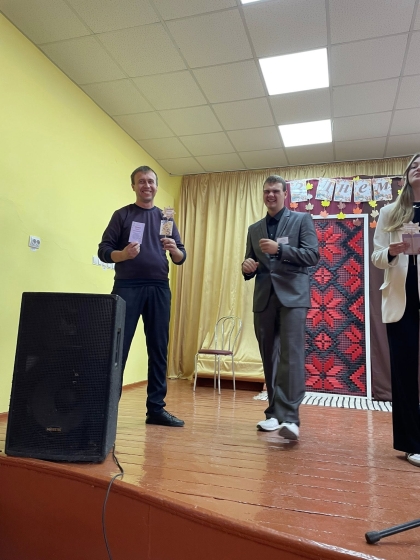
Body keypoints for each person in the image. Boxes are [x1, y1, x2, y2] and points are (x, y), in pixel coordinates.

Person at [98, 165, 186, 427]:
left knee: (158, 348)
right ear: (133, 186)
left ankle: (156, 409)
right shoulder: (122, 215)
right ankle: (106, 411)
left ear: (156, 186)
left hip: (159, 287)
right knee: (117, 348)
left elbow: (180, 257)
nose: (146, 186)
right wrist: (123, 255)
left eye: (150, 181)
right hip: (127, 286)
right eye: (141, 182)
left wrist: (174, 249)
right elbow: (104, 250)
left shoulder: (165, 218)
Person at [242, 175, 319, 440]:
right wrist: (247, 267)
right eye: (266, 191)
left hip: (293, 297)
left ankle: (290, 418)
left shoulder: (301, 220)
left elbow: (312, 255)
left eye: (275, 191)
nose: (270, 195)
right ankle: (274, 413)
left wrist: (280, 250)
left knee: (291, 355)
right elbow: (250, 261)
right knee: (269, 357)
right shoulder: (254, 228)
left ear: (285, 194)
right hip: (264, 298)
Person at [372, 153, 420, 466]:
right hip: (400, 301)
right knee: (403, 372)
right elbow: (376, 257)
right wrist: (391, 251)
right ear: (406, 175)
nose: (418, 168)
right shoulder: (390, 212)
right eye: (414, 165)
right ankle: (412, 443)